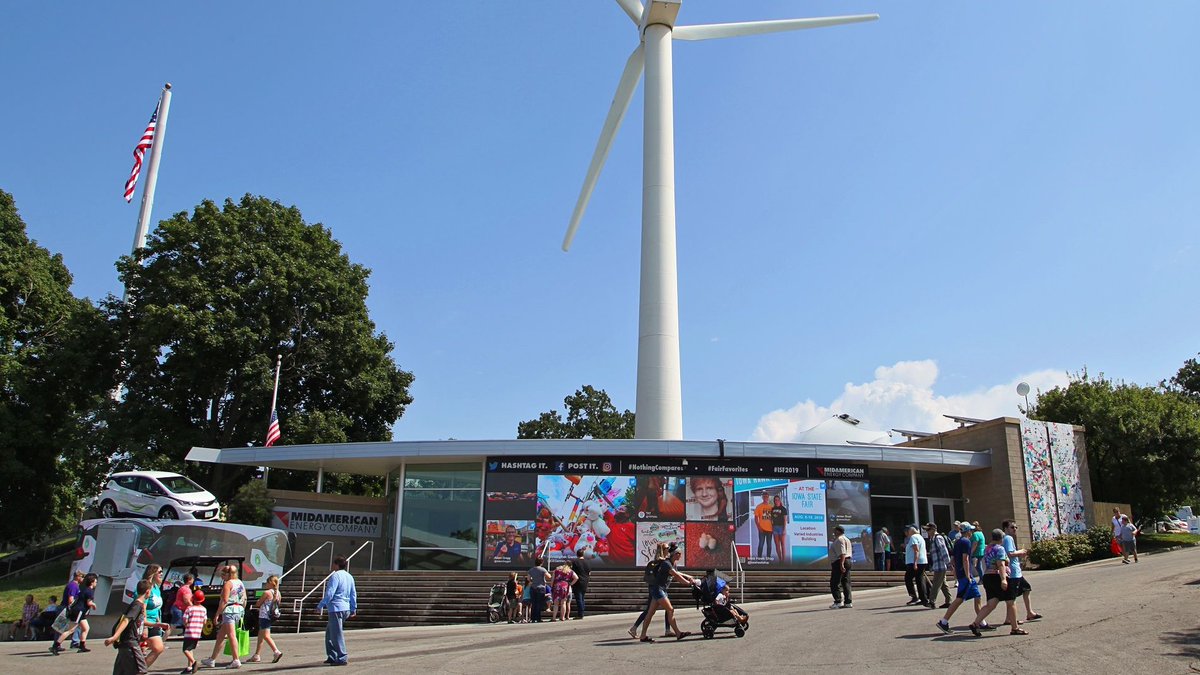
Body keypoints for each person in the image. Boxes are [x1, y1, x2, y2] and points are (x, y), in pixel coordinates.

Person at [969, 528, 1028, 637]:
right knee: (1011, 601)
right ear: (1001, 538)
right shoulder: (999, 549)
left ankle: (975, 623)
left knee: (992, 603)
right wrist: (1004, 579)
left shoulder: (987, 548)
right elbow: (1000, 564)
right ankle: (1015, 628)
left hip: (988, 576)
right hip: (997, 576)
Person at [936, 522, 990, 634]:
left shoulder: (958, 542)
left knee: (977, 596)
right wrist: (967, 575)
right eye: (971, 530)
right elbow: (965, 559)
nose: (972, 532)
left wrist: (956, 572)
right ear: (968, 531)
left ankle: (982, 622)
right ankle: (944, 621)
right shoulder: (966, 542)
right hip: (966, 575)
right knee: (960, 598)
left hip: (962, 574)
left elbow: (953, 559)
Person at [636, 543, 696, 643]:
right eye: (679, 553)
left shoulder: (672, 563)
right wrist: (688, 583)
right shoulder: (666, 563)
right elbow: (676, 576)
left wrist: (688, 577)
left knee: (650, 613)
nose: (681, 555)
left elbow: (677, 573)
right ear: (675, 554)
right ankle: (678, 633)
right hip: (658, 589)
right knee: (670, 610)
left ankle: (643, 636)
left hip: (660, 589)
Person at [202, 564, 248, 669]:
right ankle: (212, 659)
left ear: (228, 574)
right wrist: (242, 610)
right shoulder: (240, 583)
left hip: (229, 610)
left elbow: (224, 600)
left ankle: (236, 659)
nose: (222, 577)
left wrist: (217, 614)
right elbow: (244, 598)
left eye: (223, 574)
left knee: (231, 635)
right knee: (221, 636)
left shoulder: (228, 584)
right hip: (239, 609)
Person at [105, 579, 152, 675]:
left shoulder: (137, 604)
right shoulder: (137, 605)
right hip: (131, 643)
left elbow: (140, 622)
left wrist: (158, 625)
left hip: (126, 644)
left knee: (122, 672)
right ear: (147, 591)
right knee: (140, 670)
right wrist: (114, 637)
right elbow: (126, 620)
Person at [316, 556, 357, 667]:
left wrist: (321, 605)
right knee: (330, 633)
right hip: (345, 608)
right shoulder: (349, 577)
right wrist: (353, 608)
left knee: (336, 634)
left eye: (333, 563)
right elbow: (353, 593)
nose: (331, 566)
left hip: (336, 608)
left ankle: (342, 657)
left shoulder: (335, 576)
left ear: (336, 564)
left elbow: (330, 593)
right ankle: (332, 655)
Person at [1001, 519, 1043, 623]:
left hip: (1016, 571)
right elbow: (1010, 553)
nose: (1014, 529)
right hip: (1013, 571)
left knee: (1026, 589)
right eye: (1012, 527)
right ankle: (1010, 618)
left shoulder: (1008, 538)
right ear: (1006, 529)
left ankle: (1029, 613)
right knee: (1012, 596)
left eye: (1016, 527)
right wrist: (1021, 552)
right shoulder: (1008, 538)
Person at [50, 572, 97, 654]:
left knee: (86, 628)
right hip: (79, 611)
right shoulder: (89, 591)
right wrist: (94, 605)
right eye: (96, 582)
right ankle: (55, 646)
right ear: (92, 582)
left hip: (80, 612)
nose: (96, 583)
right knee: (71, 630)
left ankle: (82, 646)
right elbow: (89, 603)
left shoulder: (84, 589)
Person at [247, 574, 284, 663]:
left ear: (271, 583)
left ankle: (276, 651)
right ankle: (257, 655)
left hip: (264, 616)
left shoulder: (267, 593)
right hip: (271, 616)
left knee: (266, 635)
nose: (266, 584)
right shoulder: (278, 593)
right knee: (261, 634)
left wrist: (256, 603)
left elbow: (258, 604)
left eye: (267, 582)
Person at [141, 564, 170, 669]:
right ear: (152, 573)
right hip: (144, 623)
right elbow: (142, 606)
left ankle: (140, 670)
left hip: (154, 623)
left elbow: (157, 608)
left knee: (158, 648)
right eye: (159, 572)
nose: (162, 574)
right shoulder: (146, 587)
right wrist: (144, 627)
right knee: (136, 652)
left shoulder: (156, 588)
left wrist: (159, 623)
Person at [924, 523, 953, 609]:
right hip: (938, 565)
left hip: (940, 566)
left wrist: (948, 563)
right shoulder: (933, 539)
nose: (927, 532)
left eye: (928, 530)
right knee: (943, 584)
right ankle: (949, 601)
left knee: (936, 583)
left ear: (933, 529)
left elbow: (944, 551)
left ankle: (932, 601)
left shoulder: (938, 538)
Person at [902, 525, 930, 607]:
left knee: (908, 578)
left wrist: (915, 563)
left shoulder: (913, 537)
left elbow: (916, 550)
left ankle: (915, 597)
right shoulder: (920, 537)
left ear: (911, 531)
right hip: (921, 561)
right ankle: (923, 598)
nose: (907, 532)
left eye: (908, 531)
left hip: (915, 562)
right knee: (919, 579)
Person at [181, 590, 208, 674]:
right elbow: (205, 621)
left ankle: (194, 662)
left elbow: (185, 619)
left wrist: (186, 625)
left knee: (185, 650)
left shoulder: (189, 608)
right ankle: (189, 667)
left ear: (193, 599)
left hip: (189, 632)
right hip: (197, 633)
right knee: (190, 649)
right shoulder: (204, 609)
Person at [828, 525, 853, 609]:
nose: (834, 532)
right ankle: (848, 602)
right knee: (846, 582)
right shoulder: (847, 539)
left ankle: (838, 601)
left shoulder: (839, 539)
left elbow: (842, 553)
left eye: (835, 531)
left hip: (839, 561)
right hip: (848, 561)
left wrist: (841, 564)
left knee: (835, 582)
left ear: (838, 531)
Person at [60, 570, 84, 648]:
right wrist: (75, 607)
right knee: (64, 627)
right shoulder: (73, 585)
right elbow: (71, 599)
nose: (83, 579)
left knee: (77, 625)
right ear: (78, 577)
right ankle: (57, 644)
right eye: (82, 577)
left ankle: (75, 641)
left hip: (68, 608)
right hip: (67, 608)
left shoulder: (74, 585)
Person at [527, 558, 550, 623]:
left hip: (533, 588)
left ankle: (533, 618)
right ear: (541, 563)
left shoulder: (531, 570)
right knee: (539, 603)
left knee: (533, 603)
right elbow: (549, 576)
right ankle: (538, 618)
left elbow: (528, 579)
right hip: (541, 588)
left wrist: (533, 581)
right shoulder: (543, 569)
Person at [754, 492, 774, 559]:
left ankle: (768, 558)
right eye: (764, 496)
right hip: (762, 529)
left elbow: (774, 518)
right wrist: (758, 527)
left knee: (769, 545)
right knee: (761, 544)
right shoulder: (759, 506)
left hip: (770, 529)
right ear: (762, 497)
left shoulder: (771, 507)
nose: (765, 498)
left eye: (767, 496)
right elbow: (756, 518)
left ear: (768, 497)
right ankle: (759, 558)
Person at [572, 550, 591, 619]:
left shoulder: (575, 562)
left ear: (577, 554)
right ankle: (582, 613)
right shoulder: (587, 562)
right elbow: (589, 573)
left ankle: (580, 614)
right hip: (585, 582)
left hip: (577, 581)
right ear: (583, 554)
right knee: (582, 598)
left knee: (579, 599)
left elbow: (572, 572)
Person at [771, 495, 788, 560]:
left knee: (783, 545)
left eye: (778, 499)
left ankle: (783, 560)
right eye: (775, 500)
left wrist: (784, 529)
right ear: (774, 501)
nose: (777, 501)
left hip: (781, 528)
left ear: (780, 500)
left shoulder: (783, 509)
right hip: (775, 528)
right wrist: (772, 527)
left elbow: (785, 520)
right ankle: (780, 559)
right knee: (777, 545)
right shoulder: (772, 509)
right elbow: (771, 519)